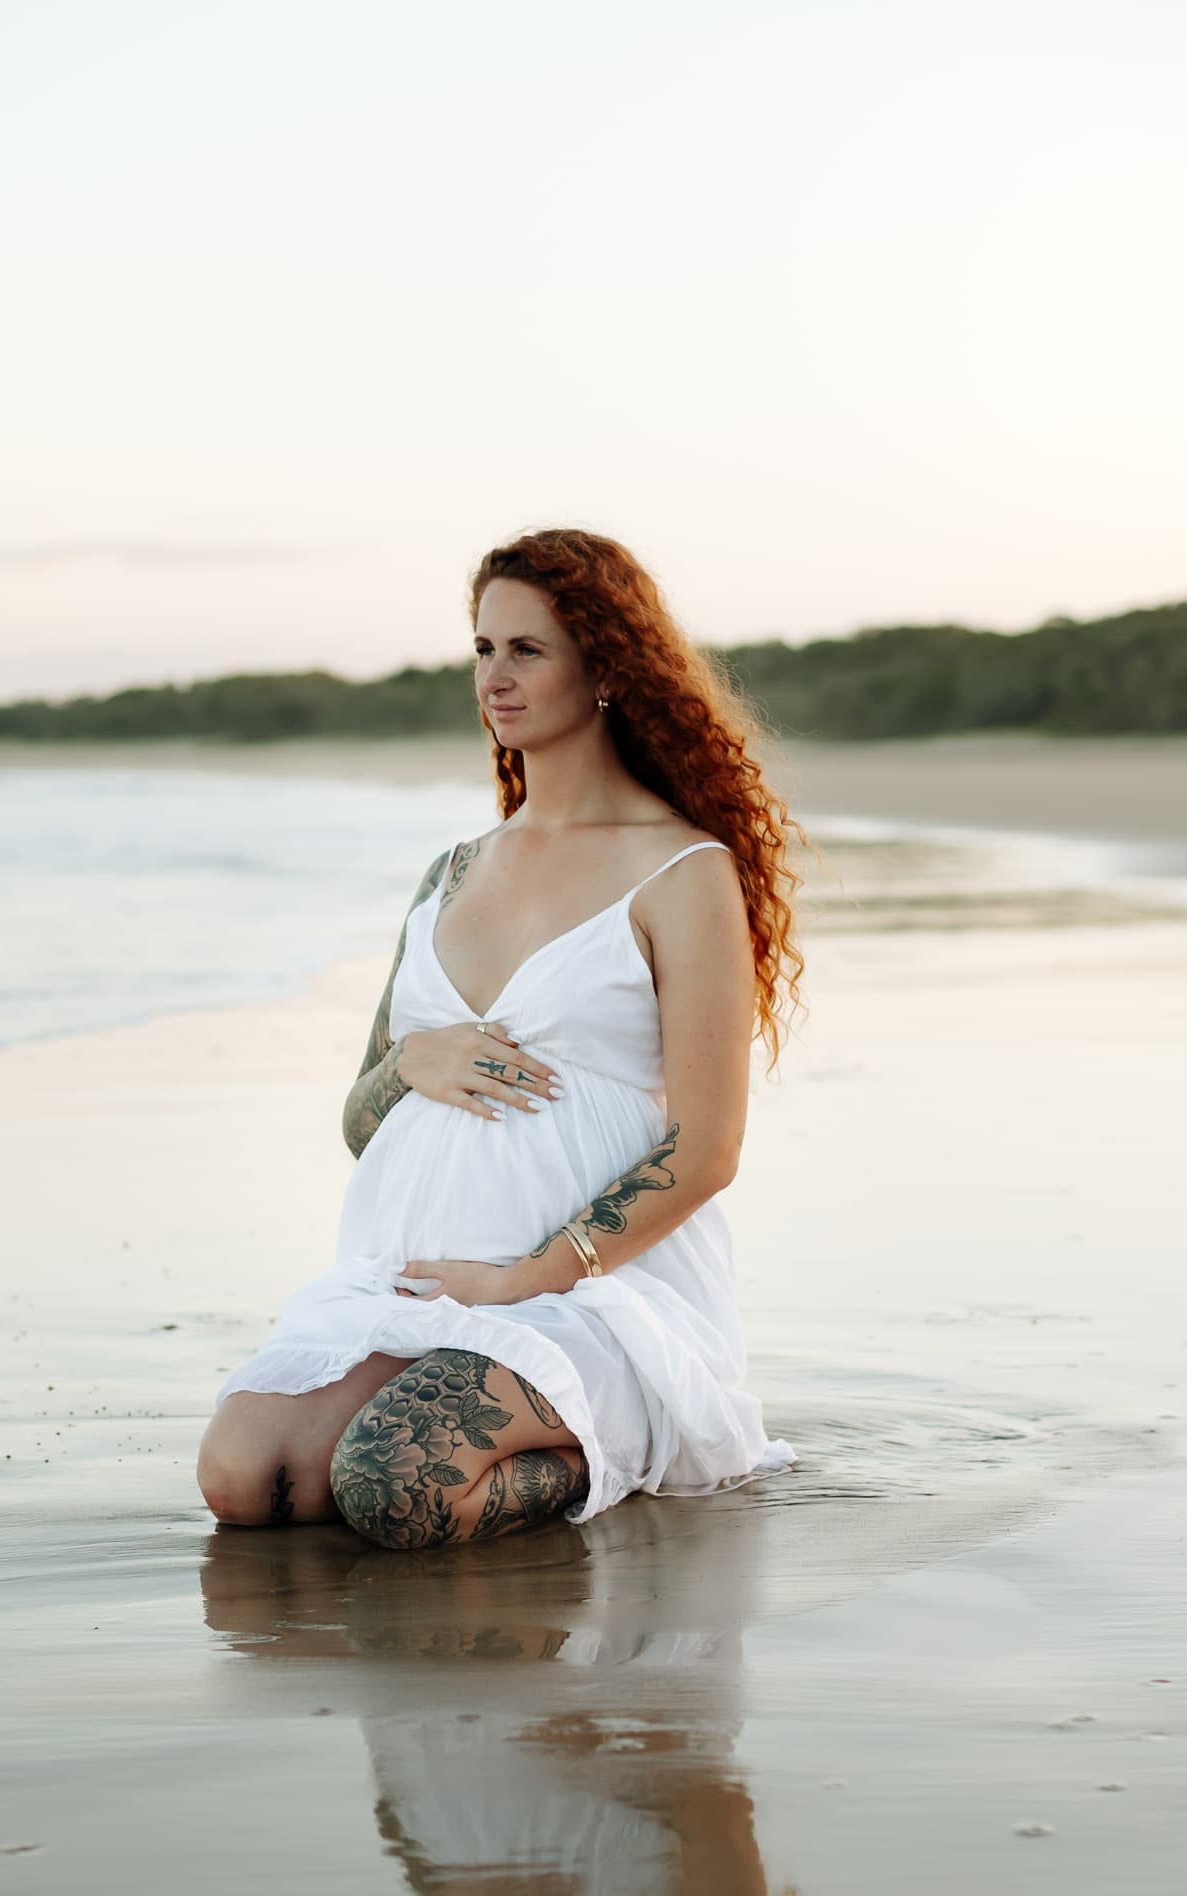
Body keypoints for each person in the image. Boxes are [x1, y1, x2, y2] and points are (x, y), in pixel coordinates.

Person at [196, 525, 811, 1549]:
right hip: (417, 1285)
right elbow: (360, 1122)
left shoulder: (679, 870)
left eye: (526, 650)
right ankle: (537, 1428)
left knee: (395, 1481)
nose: (495, 677)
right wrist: (409, 1061)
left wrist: (527, 1277)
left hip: (590, 1298)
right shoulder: (452, 872)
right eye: (482, 649)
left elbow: (707, 1149)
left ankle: (619, 1452)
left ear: (607, 668)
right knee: (243, 1475)